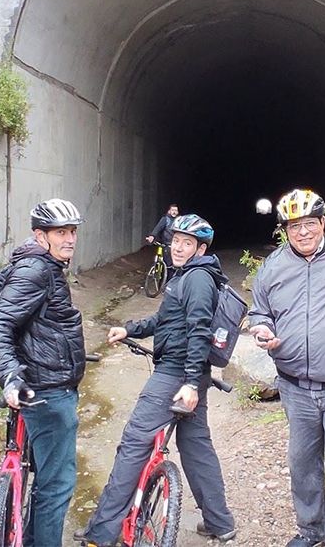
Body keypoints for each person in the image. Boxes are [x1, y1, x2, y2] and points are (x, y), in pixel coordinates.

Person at [80, 214, 237, 546]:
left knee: (134, 444)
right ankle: (219, 522)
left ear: (201, 249)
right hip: (190, 374)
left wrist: (190, 383)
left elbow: (199, 331)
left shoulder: (197, 279)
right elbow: (164, 320)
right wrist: (129, 329)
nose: (178, 248)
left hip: (176, 375)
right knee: (196, 447)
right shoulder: (189, 275)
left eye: (187, 243)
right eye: (176, 241)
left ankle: (103, 531)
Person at [247, 188, 325, 547]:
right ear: (285, 230)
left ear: (323, 223)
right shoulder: (273, 267)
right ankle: (311, 530)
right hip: (294, 383)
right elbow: (259, 311)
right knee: (301, 461)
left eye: (309, 223)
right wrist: (261, 328)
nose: (302, 232)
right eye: (294, 226)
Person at [0, 198, 88, 547]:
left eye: (72, 231)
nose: (69, 239)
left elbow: (22, 316)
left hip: (43, 382)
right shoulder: (37, 271)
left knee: (43, 477)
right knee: (56, 485)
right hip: (49, 391)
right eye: (60, 233)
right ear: (40, 236)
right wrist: (10, 375)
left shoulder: (37, 265)